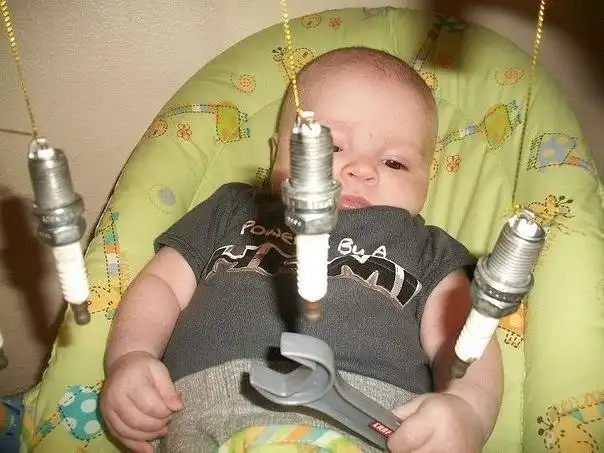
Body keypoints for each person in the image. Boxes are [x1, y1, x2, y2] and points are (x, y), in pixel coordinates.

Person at [99, 46, 502, 453]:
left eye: (395, 163)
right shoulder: (234, 208)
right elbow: (162, 285)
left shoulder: (426, 248)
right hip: (204, 407)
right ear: (277, 150)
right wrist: (131, 356)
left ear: (428, 178)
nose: (362, 169)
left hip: (367, 418)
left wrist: (469, 409)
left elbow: (467, 336)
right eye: (330, 146)